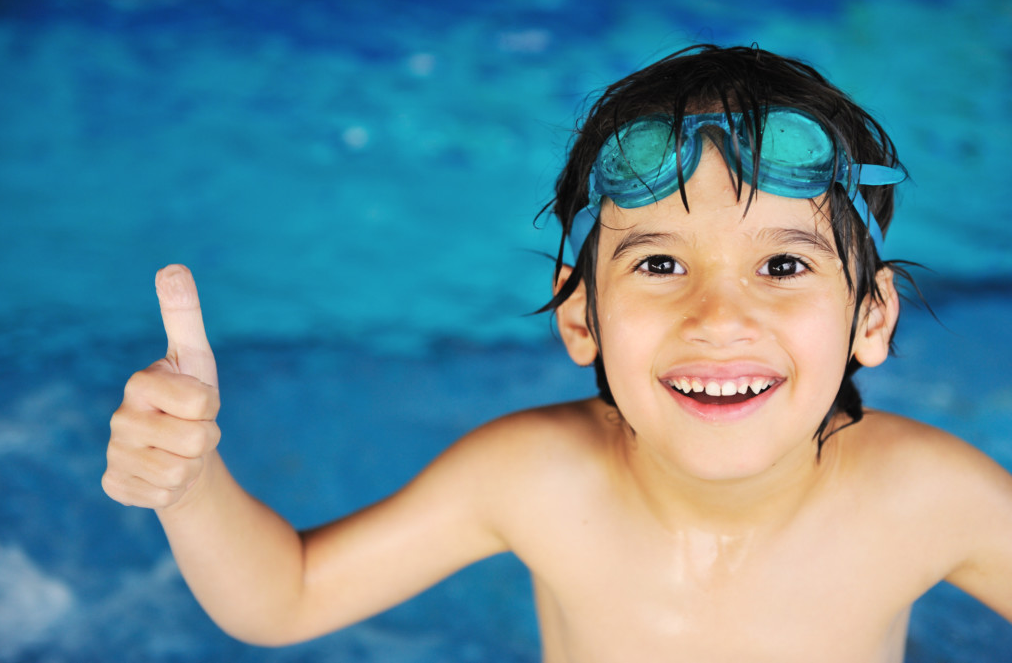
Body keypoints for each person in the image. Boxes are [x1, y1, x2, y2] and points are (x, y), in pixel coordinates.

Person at [102, 44, 1012, 661]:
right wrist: (191, 486)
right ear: (580, 318)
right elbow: (285, 597)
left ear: (871, 317)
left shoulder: (931, 499)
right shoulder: (535, 477)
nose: (718, 314)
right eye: (660, 262)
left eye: (782, 263)